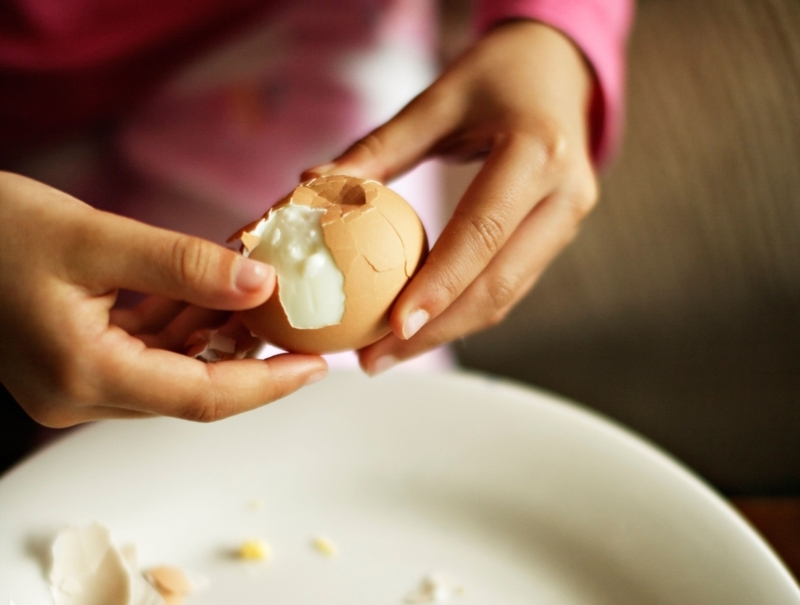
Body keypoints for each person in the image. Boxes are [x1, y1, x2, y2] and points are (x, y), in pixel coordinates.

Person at [0, 0, 633, 432]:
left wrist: (552, 32)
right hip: (24, 96)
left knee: (340, 406)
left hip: (293, 28)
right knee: (109, 390)